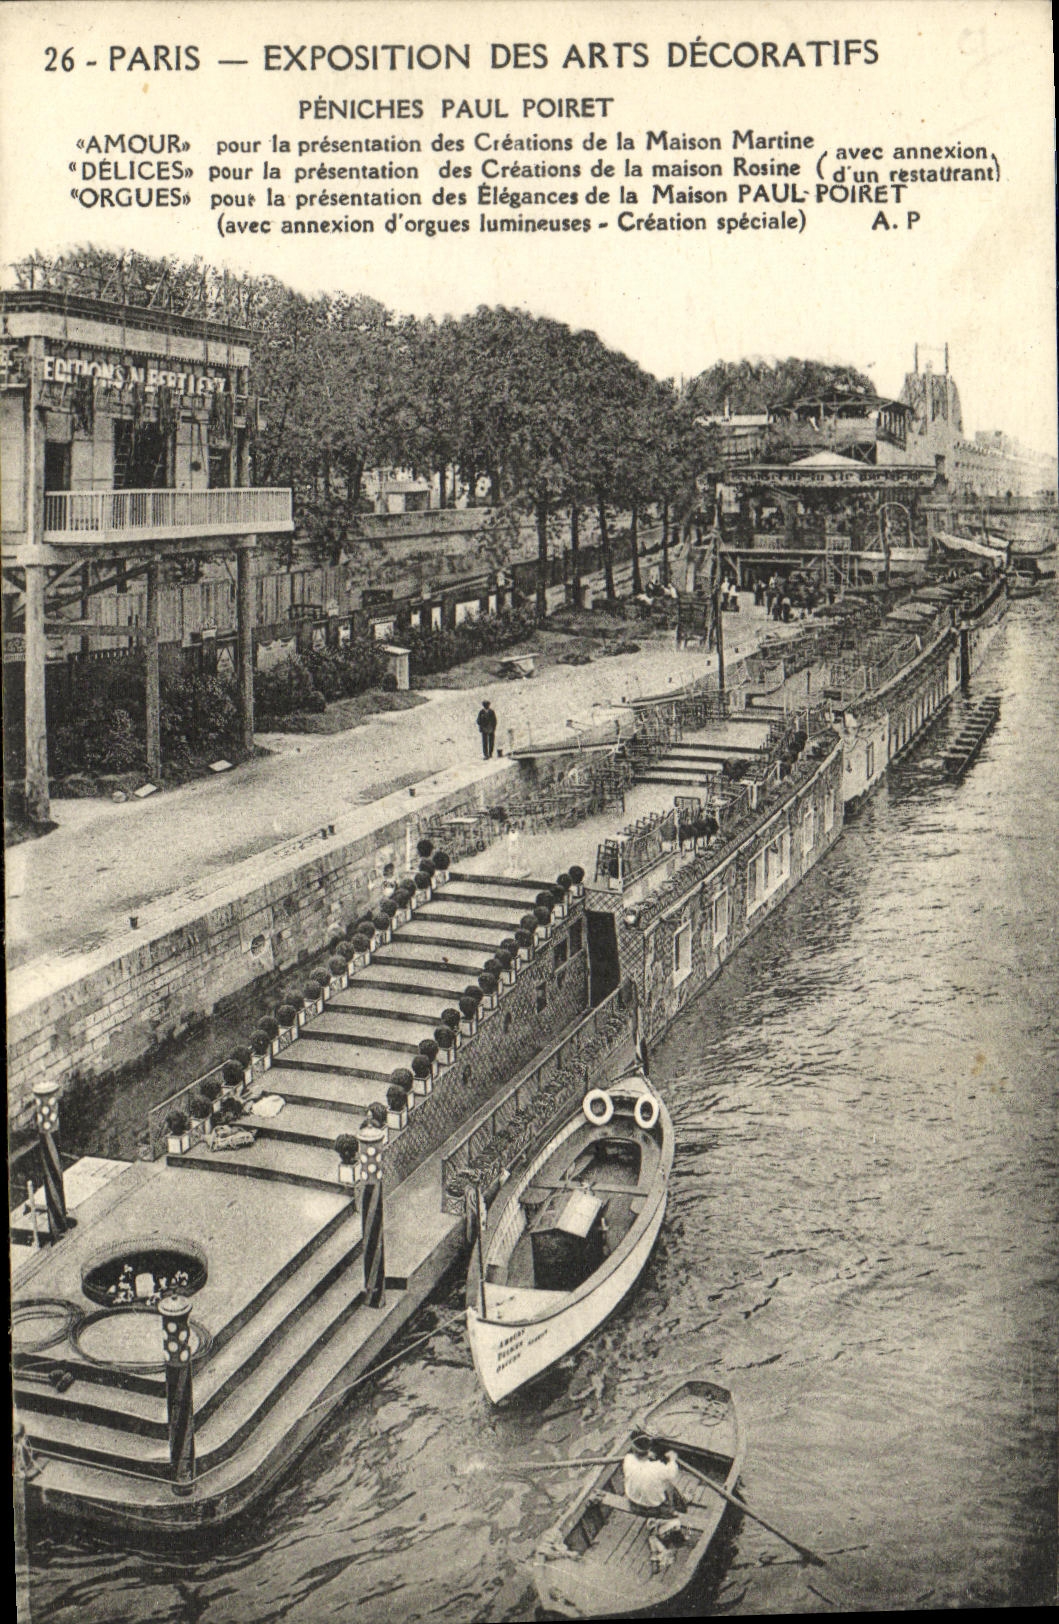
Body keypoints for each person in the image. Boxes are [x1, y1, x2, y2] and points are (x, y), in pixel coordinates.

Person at [622, 1434, 687, 1513]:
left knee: (657, 1480)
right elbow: (673, 1472)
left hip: (633, 1501)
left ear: (634, 1450)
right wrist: (672, 1459)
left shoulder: (628, 1459)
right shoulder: (659, 1467)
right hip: (654, 1507)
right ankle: (680, 1507)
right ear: (649, 1451)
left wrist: (647, 1456)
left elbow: (638, 1459)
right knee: (669, 1485)